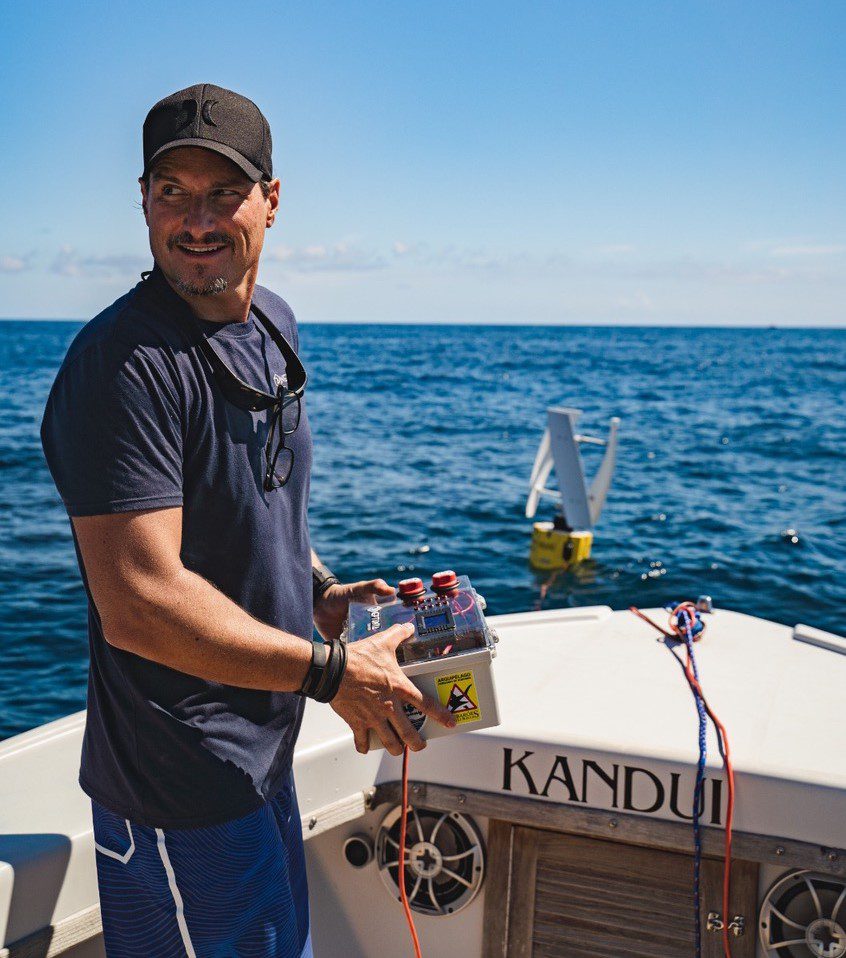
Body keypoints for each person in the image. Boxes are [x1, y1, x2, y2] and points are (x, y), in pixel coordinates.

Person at [40, 83, 454, 958]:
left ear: (271, 199)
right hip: (177, 788)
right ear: (142, 202)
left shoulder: (273, 325)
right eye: (171, 193)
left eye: (222, 192)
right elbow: (141, 603)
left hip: (261, 756)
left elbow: (254, 510)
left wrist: (322, 595)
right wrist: (333, 672)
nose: (196, 219)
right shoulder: (123, 366)